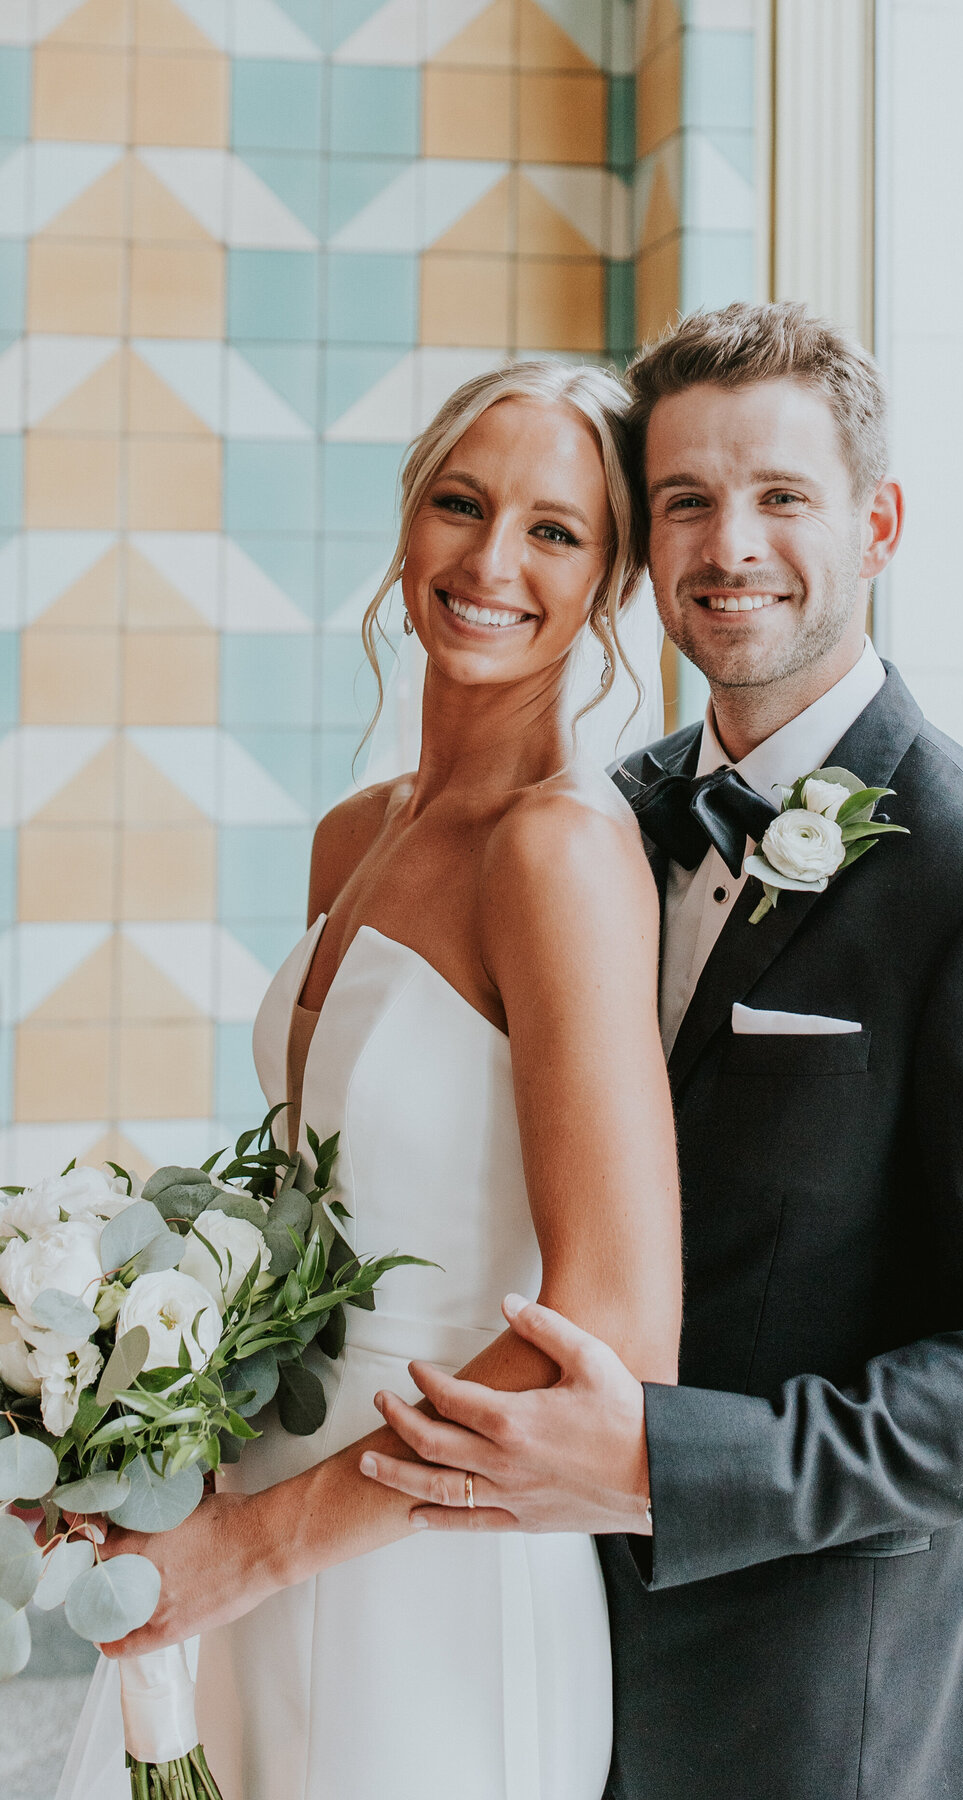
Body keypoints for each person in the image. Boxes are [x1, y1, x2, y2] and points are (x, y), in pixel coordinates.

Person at [361, 303, 963, 1800]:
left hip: (826, 1698)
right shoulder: (602, 820)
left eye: (782, 496)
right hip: (543, 1648)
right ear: (644, 548)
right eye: (687, 503)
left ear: (881, 521)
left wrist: (660, 1463)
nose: (732, 546)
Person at [57, 362, 681, 1800]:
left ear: (613, 581)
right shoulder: (357, 834)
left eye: (554, 532)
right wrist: (141, 1432)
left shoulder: (562, 851)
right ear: (407, 529)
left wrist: (265, 1546)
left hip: (432, 1562)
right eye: (461, 506)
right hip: (252, 1512)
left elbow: (618, 1325)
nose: (489, 562)